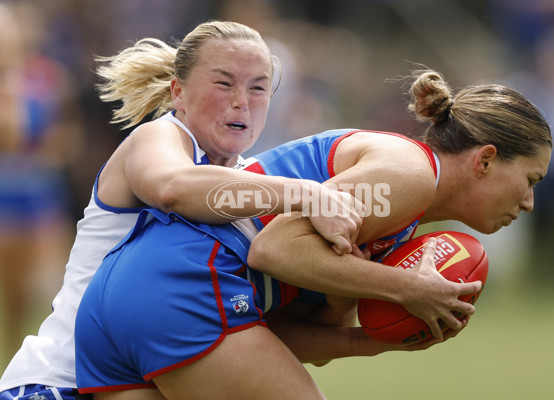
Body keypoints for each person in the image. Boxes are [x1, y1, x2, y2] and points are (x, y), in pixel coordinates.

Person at [73, 69, 553, 399]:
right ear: (485, 160)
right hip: (186, 285)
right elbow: (273, 249)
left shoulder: (401, 216)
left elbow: (278, 336)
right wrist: (407, 287)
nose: (529, 202)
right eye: (530, 181)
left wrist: (375, 338)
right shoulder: (412, 174)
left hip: (127, 300)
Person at [0, 20, 365, 400]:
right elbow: (171, 187)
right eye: (224, 83)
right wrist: (308, 193)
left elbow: (267, 333)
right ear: (179, 92)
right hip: (59, 384)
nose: (242, 100)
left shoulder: (251, 185)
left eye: (258, 87)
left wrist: (347, 302)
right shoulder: (160, 138)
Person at [0, 2, 83, 360]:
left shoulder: (49, 76)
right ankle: (14, 360)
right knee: (14, 294)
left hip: (41, 191)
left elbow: (68, 136)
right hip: (6, 192)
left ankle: (53, 358)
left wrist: (55, 148)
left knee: (57, 285)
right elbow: (10, 137)